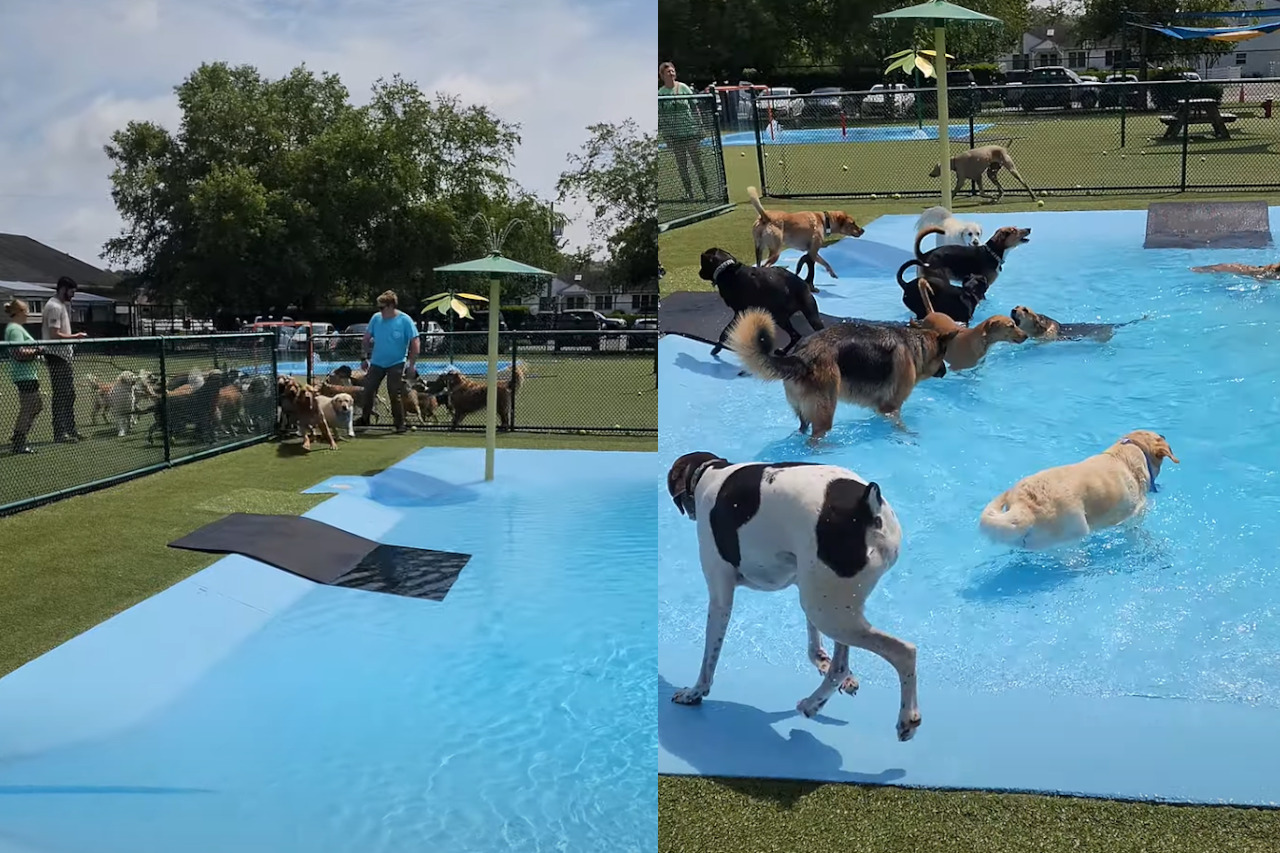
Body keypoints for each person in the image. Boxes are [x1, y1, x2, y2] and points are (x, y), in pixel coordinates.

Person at [356, 290, 419, 434]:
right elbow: (366, 339)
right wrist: (364, 357)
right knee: (368, 389)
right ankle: (364, 419)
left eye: (382, 307)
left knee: (394, 392)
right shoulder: (376, 318)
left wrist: (411, 365)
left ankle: (400, 424)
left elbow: (415, 342)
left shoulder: (405, 320)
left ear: (391, 306)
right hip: (377, 362)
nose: (379, 311)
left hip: (396, 362)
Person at [41, 276, 88, 443]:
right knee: (61, 395)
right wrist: (76, 336)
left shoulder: (61, 306)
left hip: (64, 356)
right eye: (71, 292)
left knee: (69, 394)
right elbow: (54, 334)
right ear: (63, 289)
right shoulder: (54, 306)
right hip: (56, 356)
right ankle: (60, 433)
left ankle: (70, 429)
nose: (72, 295)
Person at [659, 61, 710, 200]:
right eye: (668, 72)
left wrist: (700, 125)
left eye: (672, 71)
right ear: (662, 75)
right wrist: (666, 135)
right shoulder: (661, 93)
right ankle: (689, 193)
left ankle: (706, 192)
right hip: (675, 135)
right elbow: (661, 116)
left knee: (698, 163)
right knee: (682, 166)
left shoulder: (683, 88)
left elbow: (695, 107)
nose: (671, 73)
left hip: (691, 132)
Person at [4, 299, 46, 454]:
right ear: (19, 312)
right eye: (26, 311)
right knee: (28, 408)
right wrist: (37, 351)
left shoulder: (17, 328)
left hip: (28, 374)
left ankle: (18, 436)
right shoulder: (14, 329)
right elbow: (18, 352)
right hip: (24, 375)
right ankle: (19, 442)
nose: (28, 314)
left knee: (36, 406)